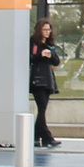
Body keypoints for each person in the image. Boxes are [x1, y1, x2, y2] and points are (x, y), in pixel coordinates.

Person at [29, 20, 61, 149]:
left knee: (42, 109)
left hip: (48, 79)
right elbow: (30, 57)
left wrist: (50, 55)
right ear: (39, 30)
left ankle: (36, 137)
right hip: (37, 79)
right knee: (41, 108)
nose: (47, 32)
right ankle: (47, 137)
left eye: (49, 30)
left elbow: (56, 61)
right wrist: (40, 54)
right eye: (45, 30)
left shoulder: (49, 44)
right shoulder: (34, 43)